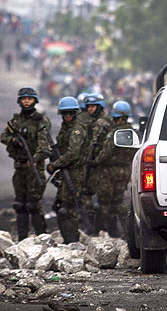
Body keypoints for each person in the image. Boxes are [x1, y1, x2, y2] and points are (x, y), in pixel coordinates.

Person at [0, 87, 51, 240]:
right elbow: (3, 136)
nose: (27, 101)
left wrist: (35, 160)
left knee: (32, 204)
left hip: (34, 166)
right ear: (20, 101)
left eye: (29, 99)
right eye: (24, 99)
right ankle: (22, 240)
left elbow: (43, 145)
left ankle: (42, 238)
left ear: (35, 101)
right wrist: (13, 140)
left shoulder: (41, 121)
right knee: (19, 204)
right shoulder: (16, 121)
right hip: (19, 166)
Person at [92, 101, 137, 237]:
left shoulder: (115, 133)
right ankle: (126, 230)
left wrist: (95, 162)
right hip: (124, 172)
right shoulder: (132, 133)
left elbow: (106, 152)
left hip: (108, 172)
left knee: (105, 202)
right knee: (118, 201)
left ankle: (102, 231)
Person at [47, 97, 86, 244]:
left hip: (74, 172)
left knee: (67, 209)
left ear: (75, 113)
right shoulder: (65, 129)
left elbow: (73, 153)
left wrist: (55, 165)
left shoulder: (77, 130)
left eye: (70, 113)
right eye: (65, 113)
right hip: (65, 172)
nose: (68, 116)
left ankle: (73, 242)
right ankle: (68, 241)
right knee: (60, 207)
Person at [81, 93, 113, 233]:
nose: (90, 109)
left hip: (100, 165)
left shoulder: (101, 123)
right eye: (88, 106)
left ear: (99, 107)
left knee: (101, 197)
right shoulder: (96, 121)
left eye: (93, 106)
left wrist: (92, 160)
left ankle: (99, 227)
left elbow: (94, 144)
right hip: (97, 163)